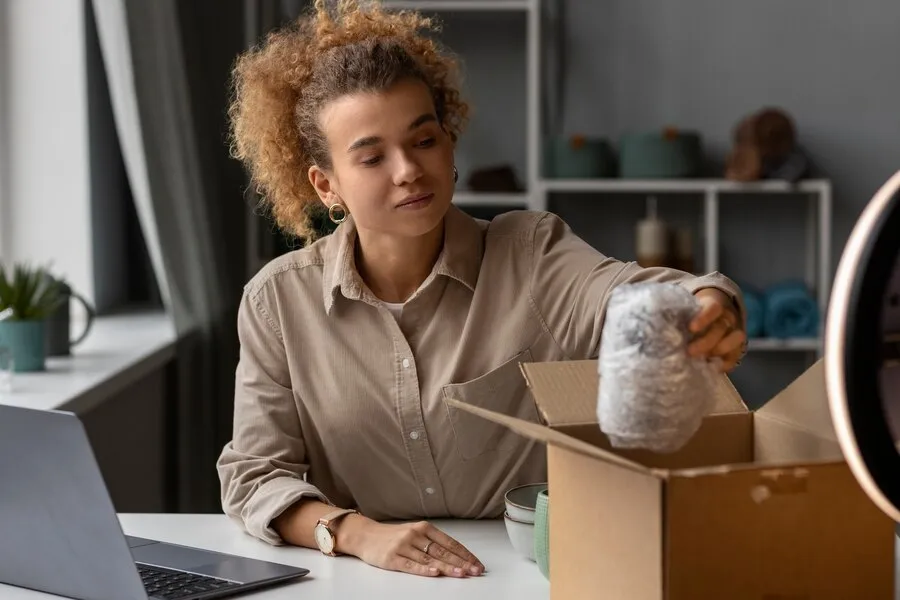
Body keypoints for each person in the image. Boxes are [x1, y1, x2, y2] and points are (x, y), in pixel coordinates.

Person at [217, 0, 747, 580]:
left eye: (423, 140)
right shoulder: (277, 303)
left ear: (449, 143)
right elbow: (255, 475)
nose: (407, 171)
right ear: (326, 185)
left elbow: (631, 292)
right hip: (363, 581)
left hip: (529, 569)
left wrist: (706, 307)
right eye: (372, 157)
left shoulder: (530, 252)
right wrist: (355, 534)